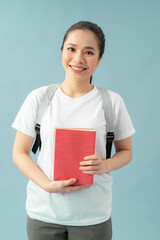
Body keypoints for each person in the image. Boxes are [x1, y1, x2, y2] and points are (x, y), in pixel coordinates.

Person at [12, 21, 135, 240]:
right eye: (72, 49)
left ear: (99, 60)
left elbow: (126, 151)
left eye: (89, 52)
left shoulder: (112, 102)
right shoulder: (39, 98)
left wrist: (105, 165)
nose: (78, 58)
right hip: (43, 214)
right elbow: (19, 153)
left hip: (92, 218)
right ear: (62, 51)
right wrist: (46, 185)